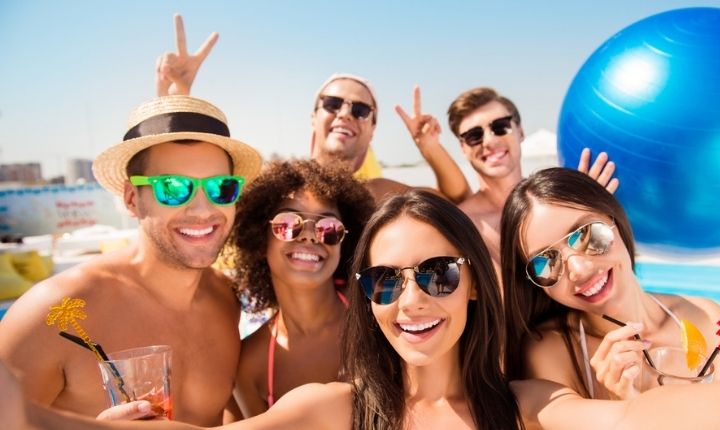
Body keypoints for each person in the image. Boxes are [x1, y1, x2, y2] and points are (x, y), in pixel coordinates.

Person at [10, 190, 720, 430]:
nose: (411, 298)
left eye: (434, 272)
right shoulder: (327, 410)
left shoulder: (531, 408)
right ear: (364, 300)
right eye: (385, 282)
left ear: (473, 281)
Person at [0, 95, 263, 425]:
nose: (202, 209)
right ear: (131, 199)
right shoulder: (52, 313)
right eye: (172, 187)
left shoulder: (226, 300)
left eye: (221, 187)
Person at [156, 14, 470, 204]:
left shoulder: (376, 194)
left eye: (360, 110)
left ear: (372, 129)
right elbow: (189, 177)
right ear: (313, 116)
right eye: (333, 104)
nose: (345, 113)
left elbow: (456, 200)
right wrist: (179, 94)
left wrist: (429, 148)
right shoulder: (274, 184)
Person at [501, 167, 720, 399]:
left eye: (586, 234)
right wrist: (620, 405)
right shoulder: (550, 353)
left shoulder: (709, 318)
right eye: (545, 262)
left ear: (614, 220)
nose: (579, 270)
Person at [400, 86, 617, 265]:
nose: (489, 141)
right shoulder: (462, 226)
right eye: (474, 136)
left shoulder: (562, 202)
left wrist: (593, 212)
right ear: (463, 148)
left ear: (520, 131)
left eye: (500, 127)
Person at [226, 159, 373, 419]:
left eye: (328, 228)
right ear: (260, 240)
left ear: (345, 244)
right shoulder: (249, 363)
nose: (310, 236)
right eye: (288, 223)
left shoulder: (374, 316)